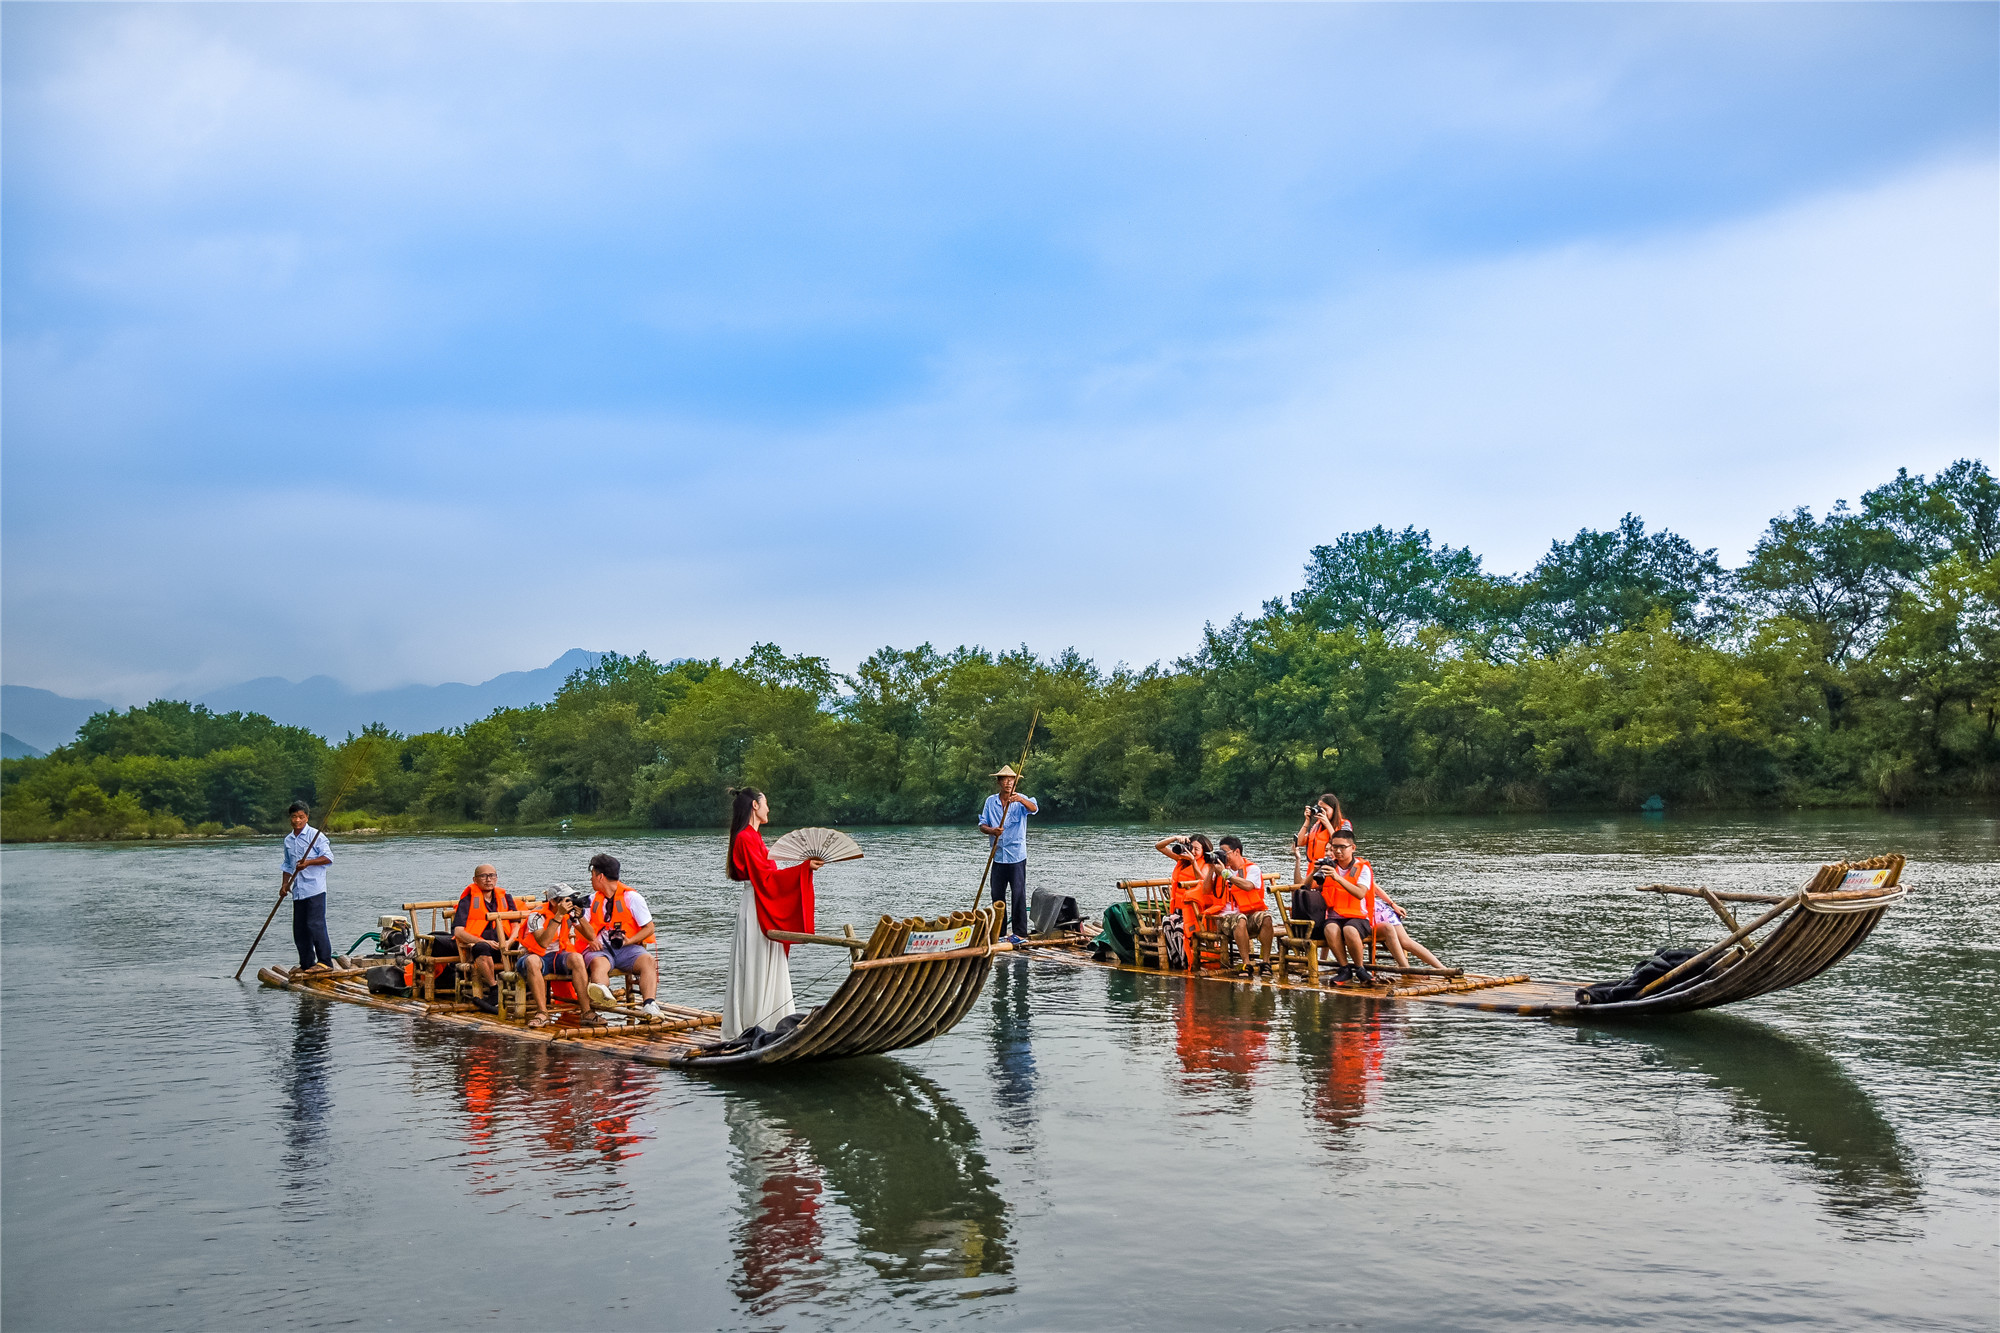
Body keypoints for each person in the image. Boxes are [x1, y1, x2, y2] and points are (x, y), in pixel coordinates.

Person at [723, 787, 825, 1040]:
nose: (769, 808)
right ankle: (754, 1022)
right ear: (755, 806)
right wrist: (802, 869)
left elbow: (766, 877)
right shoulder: (746, 838)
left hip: (759, 902)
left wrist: (803, 868)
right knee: (757, 961)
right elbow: (764, 878)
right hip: (755, 905)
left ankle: (769, 1019)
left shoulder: (754, 838)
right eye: (766, 803)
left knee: (766, 959)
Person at [579, 853, 665, 1019]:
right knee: (599, 963)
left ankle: (649, 1004)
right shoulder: (590, 900)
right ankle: (603, 992)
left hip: (627, 948)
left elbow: (649, 928)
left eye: (592, 875)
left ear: (600, 876)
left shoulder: (632, 898)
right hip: (600, 948)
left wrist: (629, 941)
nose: (591, 880)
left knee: (648, 960)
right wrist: (590, 938)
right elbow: (581, 926)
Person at [517, 885, 595, 1028]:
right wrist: (558, 915)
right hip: (534, 956)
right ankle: (542, 1013)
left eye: (571, 899)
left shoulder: (569, 914)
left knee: (577, 958)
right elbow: (543, 943)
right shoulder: (536, 916)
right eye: (566, 899)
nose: (570, 902)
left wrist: (581, 917)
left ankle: (587, 1012)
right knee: (533, 961)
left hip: (557, 956)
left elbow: (591, 936)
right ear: (553, 901)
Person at [978, 765, 1039, 943]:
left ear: (1015, 782)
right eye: (1004, 779)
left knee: (1018, 893)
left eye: (1011, 780)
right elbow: (982, 825)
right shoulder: (991, 802)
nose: (1008, 782)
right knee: (997, 894)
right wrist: (992, 831)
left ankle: (1020, 932)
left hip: (1016, 855)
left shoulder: (1021, 800)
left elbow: (1034, 808)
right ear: (999, 782)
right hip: (998, 855)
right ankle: (1000, 931)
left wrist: (1019, 800)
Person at [452, 864, 519, 1015]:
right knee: (481, 947)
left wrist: (509, 942)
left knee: (527, 948)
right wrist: (483, 941)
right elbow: (458, 931)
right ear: (475, 879)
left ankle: (524, 988)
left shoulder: (506, 897)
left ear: (496, 878)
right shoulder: (467, 900)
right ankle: (494, 988)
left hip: (507, 945)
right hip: (481, 947)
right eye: (483, 876)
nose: (488, 879)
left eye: (492, 875)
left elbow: (517, 925)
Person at [280, 801, 335, 974]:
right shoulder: (288, 840)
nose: (297, 820)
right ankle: (306, 964)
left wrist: (309, 862)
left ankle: (325, 962)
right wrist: (285, 884)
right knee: (300, 928)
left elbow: (328, 858)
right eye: (294, 817)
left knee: (315, 924)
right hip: (298, 891)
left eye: (301, 817)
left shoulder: (315, 836)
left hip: (315, 889)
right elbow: (288, 865)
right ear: (290, 818)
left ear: (307, 817)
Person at [1318, 830, 1378, 987]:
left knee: (1350, 930)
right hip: (1335, 916)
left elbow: (1360, 893)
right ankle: (1344, 969)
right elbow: (1305, 885)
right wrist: (1316, 870)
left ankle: (1360, 968)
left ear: (1353, 848)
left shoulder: (1362, 868)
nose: (1338, 851)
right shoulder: (1329, 866)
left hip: (1358, 917)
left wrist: (1337, 877)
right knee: (1330, 929)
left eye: (1342, 847)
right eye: (1335, 847)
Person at [1215, 836, 1275, 976]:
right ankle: (1246, 964)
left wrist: (1226, 874)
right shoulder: (1219, 870)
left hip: (1249, 915)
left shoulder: (1251, 869)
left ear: (1236, 851)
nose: (1223, 856)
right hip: (1226, 919)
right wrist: (1213, 870)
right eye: (1221, 853)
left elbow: (1248, 886)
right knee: (1240, 918)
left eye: (1225, 853)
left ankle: (1265, 962)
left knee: (1266, 917)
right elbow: (1206, 890)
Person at [1154, 833, 1214, 969]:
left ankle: (1187, 961)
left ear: (1204, 850)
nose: (1192, 852)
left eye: (1197, 849)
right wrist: (1175, 838)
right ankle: (1176, 961)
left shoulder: (1208, 864)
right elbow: (1159, 846)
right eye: (1190, 847)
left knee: (1180, 929)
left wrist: (1193, 862)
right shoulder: (1181, 860)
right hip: (1178, 910)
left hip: (1195, 912)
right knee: (1167, 923)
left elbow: (1203, 882)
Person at [1370, 883, 1447, 973]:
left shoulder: (1362, 869)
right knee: (1392, 934)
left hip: (1378, 909)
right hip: (1364, 913)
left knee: (1406, 941)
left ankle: (1442, 968)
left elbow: (1375, 888)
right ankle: (1407, 970)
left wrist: (1393, 904)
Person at [1292, 793, 1350, 881]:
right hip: (1313, 872)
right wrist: (1307, 821)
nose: (1322, 812)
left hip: (1331, 871)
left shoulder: (1344, 824)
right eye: (1320, 808)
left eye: (1325, 809)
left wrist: (1327, 823)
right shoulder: (1316, 826)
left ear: (1334, 810)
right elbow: (1299, 842)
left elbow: (1341, 842)